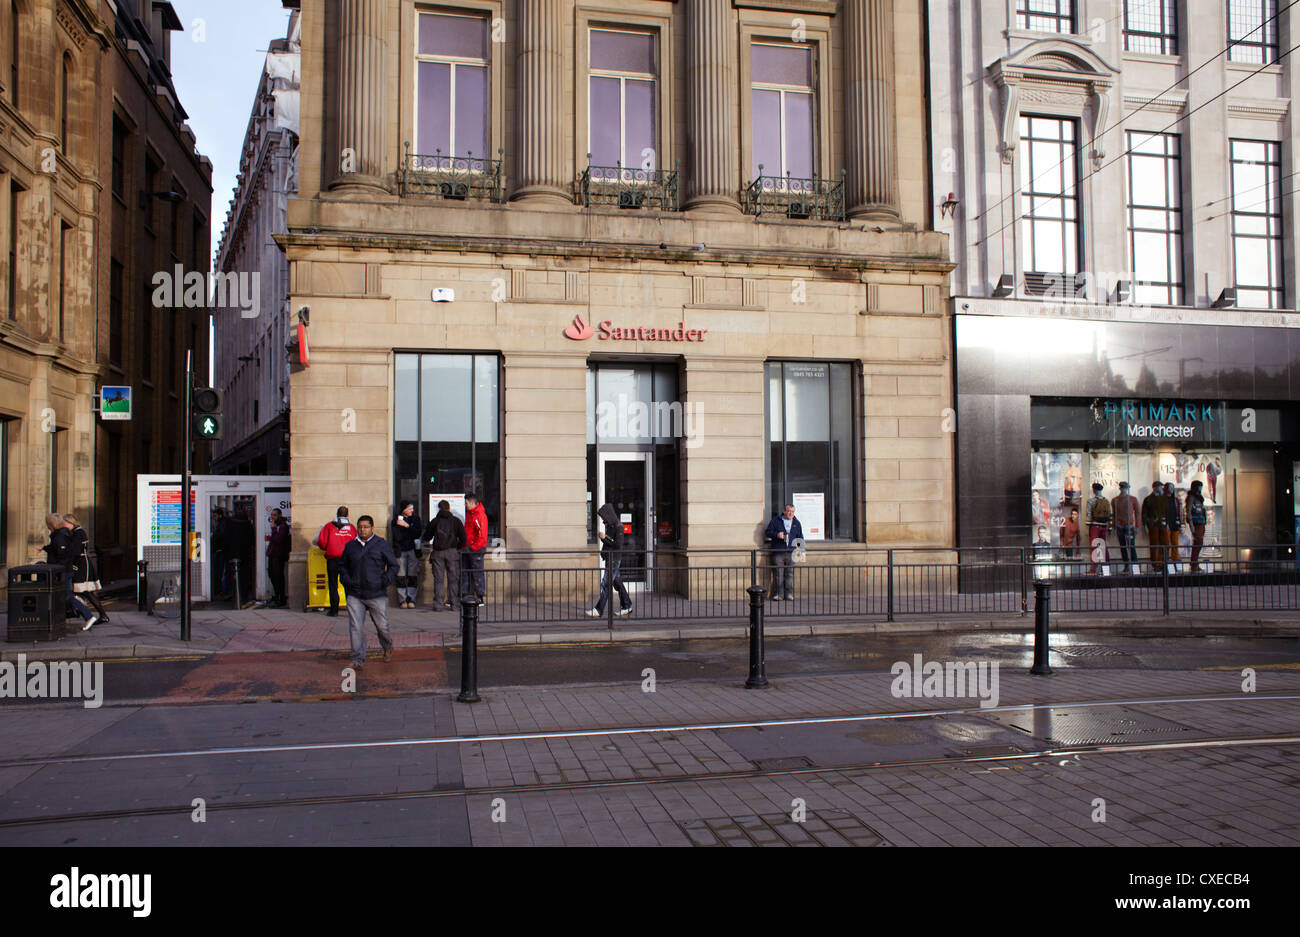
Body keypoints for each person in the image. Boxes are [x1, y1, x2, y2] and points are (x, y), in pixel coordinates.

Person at [338, 515, 397, 669]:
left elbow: (393, 566)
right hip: (355, 594)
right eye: (360, 527)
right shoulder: (350, 546)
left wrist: (385, 581)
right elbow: (343, 566)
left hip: (376, 593)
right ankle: (357, 659)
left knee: (382, 626)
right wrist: (346, 580)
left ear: (372, 527)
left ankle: (388, 646)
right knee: (356, 627)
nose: (362, 530)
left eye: (365, 527)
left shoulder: (381, 544)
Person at [42, 513, 98, 631]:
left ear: (51, 524)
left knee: (67, 596)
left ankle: (88, 616)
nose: (47, 526)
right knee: (62, 596)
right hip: (62, 570)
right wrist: (44, 548)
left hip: (62, 571)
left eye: (48, 523)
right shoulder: (60, 534)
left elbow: (63, 553)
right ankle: (56, 620)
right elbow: (56, 548)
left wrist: (58, 568)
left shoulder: (61, 536)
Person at [587, 502, 632, 618]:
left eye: (603, 516)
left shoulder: (618, 526)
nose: (602, 519)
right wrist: (604, 539)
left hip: (614, 559)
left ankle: (598, 609)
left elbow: (617, 545)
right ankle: (627, 605)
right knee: (617, 583)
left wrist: (604, 538)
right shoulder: (610, 525)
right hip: (610, 558)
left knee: (605, 584)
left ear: (608, 514)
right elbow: (610, 542)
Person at [63, 514, 109, 622]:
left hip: (81, 565)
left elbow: (76, 550)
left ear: (70, 522)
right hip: (79, 564)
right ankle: (85, 610)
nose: (63, 525)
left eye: (65, 523)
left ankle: (102, 615)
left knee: (86, 591)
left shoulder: (78, 533)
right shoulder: (75, 532)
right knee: (79, 591)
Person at [422, 500, 465, 610]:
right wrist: (457, 547)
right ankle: (454, 603)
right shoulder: (456, 521)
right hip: (452, 552)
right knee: (453, 579)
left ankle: (438, 604)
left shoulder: (435, 521)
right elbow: (464, 538)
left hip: (438, 553)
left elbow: (426, 537)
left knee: (439, 579)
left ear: (439, 508)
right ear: (449, 508)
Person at [316, 506, 356, 617]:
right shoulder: (351, 527)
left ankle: (334, 610)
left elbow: (322, 542)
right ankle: (352, 609)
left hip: (332, 559)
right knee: (348, 584)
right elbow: (356, 542)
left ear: (337, 514)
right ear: (347, 515)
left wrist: (328, 548)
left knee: (333, 585)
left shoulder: (329, 526)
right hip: (347, 560)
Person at [764, 503, 803, 601]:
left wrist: (800, 552)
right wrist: (777, 535)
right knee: (778, 574)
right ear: (784, 511)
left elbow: (800, 538)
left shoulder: (796, 523)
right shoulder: (776, 521)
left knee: (789, 574)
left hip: (791, 552)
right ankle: (778, 594)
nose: (791, 513)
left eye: (792, 512)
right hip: (778, 551)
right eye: (789, 511)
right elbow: (768, 532)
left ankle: (789, 594)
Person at [390, 500, 423, 609]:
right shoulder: (396, 520)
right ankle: (402, 599)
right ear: (403, 510)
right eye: (409, 509)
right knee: (401, 575)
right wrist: (400, 526)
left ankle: (411, 598)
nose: (412, 511)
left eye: (412, 508)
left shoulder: (415, 519)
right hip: (401, 550)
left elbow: (417, 533)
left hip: (412, 549)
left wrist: (407, 526)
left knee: (412, 574)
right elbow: (396, 536)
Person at [460, 493, 488, 604]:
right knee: (465, 572)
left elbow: (482, 535)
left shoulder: (479, 515)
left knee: (477, 573)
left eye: (466, 503)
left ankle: (480, 597)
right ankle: (465, 595)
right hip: (468, 547)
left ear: (472, 503)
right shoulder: (470, 514)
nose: (465, 505)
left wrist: (472, 547)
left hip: (475, 549)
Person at [230, 508, 256, 607]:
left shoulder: (231, 525)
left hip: (234, 555)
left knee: (235, 576)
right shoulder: (248, 525)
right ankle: (244, 596)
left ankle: (236, 595)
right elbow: (252, 539)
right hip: (246, 553)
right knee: (245, 576)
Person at [1085, 483, 1111, 575]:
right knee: (1103, 547)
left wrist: (1087, 527)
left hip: (1094, 526)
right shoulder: (1106, 501)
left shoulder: (1091, 501)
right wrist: (1110, 527)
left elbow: (1088, 514)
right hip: (1104, 526)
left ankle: (1093, 569)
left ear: (1093, 490)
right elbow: (1110, 515)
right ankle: (1106, 569)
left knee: (1094, 547)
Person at [267, 508, 290, 607]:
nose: (272, 517)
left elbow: (278, 540)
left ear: (279, 515)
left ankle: (280, 598)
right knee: (272, 574)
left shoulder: (283, 526)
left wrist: (273, 529)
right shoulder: (277, 526)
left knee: (278, 576)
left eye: (275, 515)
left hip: (279, 555)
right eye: (272, 515)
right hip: (273, 554)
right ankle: (277, 596)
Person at [1142, 481, 1166, 570]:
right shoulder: (1148, 499)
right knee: (1154, 544)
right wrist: (1145, 525)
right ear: (1155, 488)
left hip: (1163, 524)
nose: (1161, 489)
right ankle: (1155, 564)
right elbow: (1144, 513)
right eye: (1160, 487)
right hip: (1153, 524)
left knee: (1164, 543)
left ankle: (1163, 562)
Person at [1186, 480, 1208, 573]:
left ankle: (1195, 563)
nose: (1200, 488)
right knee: (1197, 542)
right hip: (1196, 522)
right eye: (1199, 486)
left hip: (1201, 522)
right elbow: (1188, 510)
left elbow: (1203, 510)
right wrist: (1191, 525)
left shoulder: (1199, 498)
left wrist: (1205, 519)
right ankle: (1194, 564)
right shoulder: (1191, 498)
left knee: (1199, 543)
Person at [210, 507, 230, 599]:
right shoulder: (221, 523)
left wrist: (213, 536)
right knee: (220, 571)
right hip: (221, 550)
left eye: (215, 515)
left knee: (221, 571)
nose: (213, 517)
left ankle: (223, 590)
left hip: (221, 551)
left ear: (220, 515)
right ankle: (222, 590)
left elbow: (221, 535)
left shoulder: (222, 523)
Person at [1164, 482, 1183, 566]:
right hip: (1166, 524)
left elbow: (1179, 512)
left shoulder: (1175, 500)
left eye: (1172, 488)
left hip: (1175, 523)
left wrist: (1180, 524)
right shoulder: (1162, 499)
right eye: (1170, 487)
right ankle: (1165, 560)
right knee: (1166, 543)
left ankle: (1174, 560)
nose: (1171, 489)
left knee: (1175, 543)